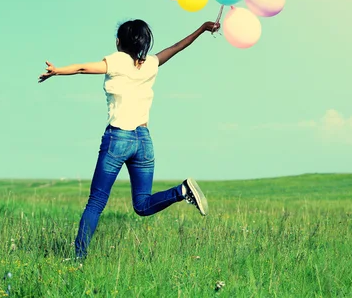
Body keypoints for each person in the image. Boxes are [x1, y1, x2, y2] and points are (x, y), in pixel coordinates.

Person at [38, 19, 218, 260]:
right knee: (142, 205)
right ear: (143, 41)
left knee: (96, 203)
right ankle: (182, 190)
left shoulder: (117, 59)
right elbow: (176, 47)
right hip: (143, 140)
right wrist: (202, 29)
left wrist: (58, 71)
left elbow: (83, 68)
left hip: (118, 138)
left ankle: (78, 260)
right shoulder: (151, 64)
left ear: (119, 41)